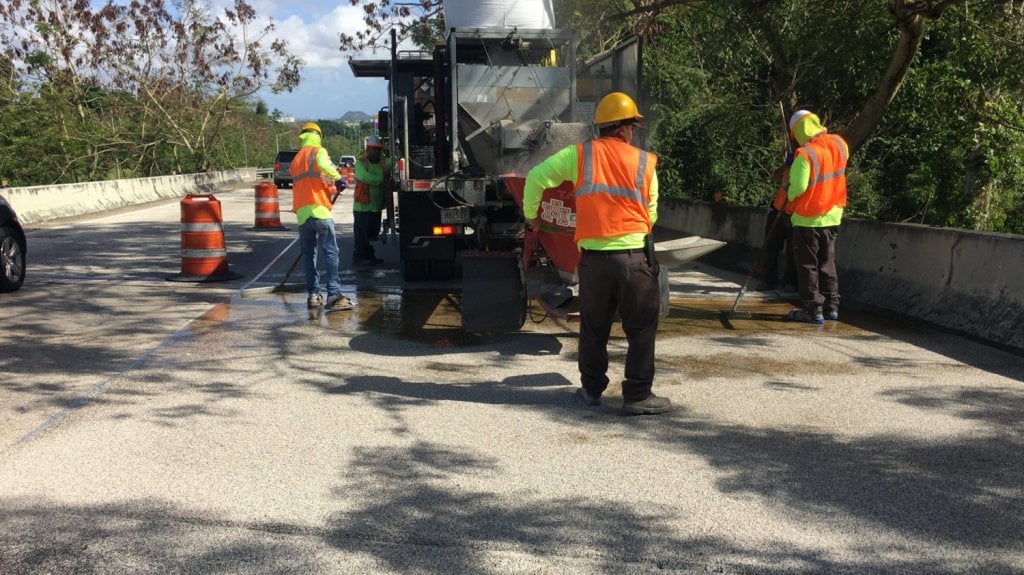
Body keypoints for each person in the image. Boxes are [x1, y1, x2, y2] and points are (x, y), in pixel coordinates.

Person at [523, 92, 671, 415]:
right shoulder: (645, 163)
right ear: (625, 129)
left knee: (594, 327)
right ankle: (637, 396)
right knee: (641, 328)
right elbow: (652, 215)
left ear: (601, 127)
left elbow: (534, 178)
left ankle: (591, 391)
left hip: (592, 260)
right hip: (635, 259)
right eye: (632, 125)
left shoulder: (580, 156)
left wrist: (532, 216)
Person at [786, 110, 848, 323]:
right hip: (833, 216)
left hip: (807, 219)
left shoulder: (806, 154)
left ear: (799, 131)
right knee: (827, 263)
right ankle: (832, 307)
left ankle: (813, 310)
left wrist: (789, 191)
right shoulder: (840, 144)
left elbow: (799, 186)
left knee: (808, 267)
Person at [289, 121, 352, 310]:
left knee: (309, 255)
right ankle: (334, 294)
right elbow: (323, 165)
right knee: (331, 251)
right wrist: (338, 178)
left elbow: (313, 180)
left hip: (302, 214)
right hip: (320, 211)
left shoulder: (296, 159)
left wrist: (331, 186)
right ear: (318, 136)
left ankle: (313, 296)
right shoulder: (318, 152)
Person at [758, 151, 798, 292]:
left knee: (793, 251)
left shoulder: (809, 159)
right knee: (770, 246)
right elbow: (775, 176)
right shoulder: (793, 157)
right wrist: (785, 166)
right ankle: (768, 280)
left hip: (797, 213)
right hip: (779, 208)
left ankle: (791, 282)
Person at [351, 135, 393, 266]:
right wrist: (381, 180)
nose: (375, 152)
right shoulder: (360, 164)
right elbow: (364, 177)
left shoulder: (384, 163)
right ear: (368, 149)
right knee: (361, 235)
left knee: (372, 234)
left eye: (377, 149)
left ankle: (369, 256)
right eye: (372, 149)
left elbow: (395, 160)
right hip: (362, 208)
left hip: (376, 207)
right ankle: (358, 257)